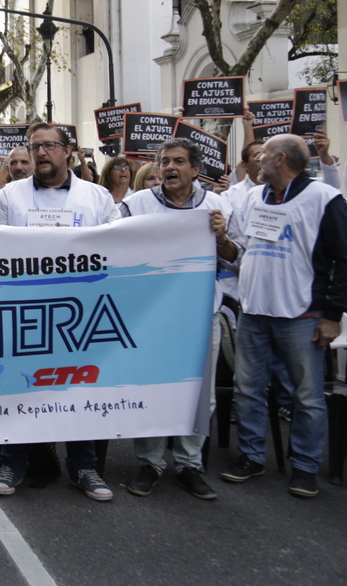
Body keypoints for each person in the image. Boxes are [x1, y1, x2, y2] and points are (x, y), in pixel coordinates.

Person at [0, 122, 119, 502]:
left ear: (67, 152)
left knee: (80, 389)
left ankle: (84, 466)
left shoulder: (97, 197)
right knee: (20, 387)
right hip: (23, 312)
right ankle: (13, 462)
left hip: (80, 314)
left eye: (49, 145)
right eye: (34, 146)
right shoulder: (8, 196)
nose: (40, 152)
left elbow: (122, 246)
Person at [216, 134, 347, 498]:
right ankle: (251, 455)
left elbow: (343, 259)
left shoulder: (324, 198)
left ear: (281, 159)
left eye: (264, 155)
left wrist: (332, 314)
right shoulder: (254, 197)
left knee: (306, 395)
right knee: (247, 389)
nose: (257, 161)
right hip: (254, 311)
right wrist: (224, 242)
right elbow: (243, 251)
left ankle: (304, 466)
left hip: (301, 313)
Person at [119, 139, 230, 501]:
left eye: (179, 161)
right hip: (151, 317)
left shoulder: (217, 205)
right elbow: (111, 246)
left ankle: (189, 464)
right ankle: (150, 463)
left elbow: (235, 257)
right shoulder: (136, 204)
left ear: (195, 169)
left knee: (200, 395)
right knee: (151, 389)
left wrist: (222, 237)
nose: (169, 167)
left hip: (199, 315)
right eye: (165, 161)